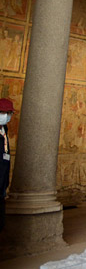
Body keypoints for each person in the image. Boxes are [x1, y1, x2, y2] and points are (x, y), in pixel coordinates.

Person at [0, 98, 13, 233]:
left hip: (1, 186)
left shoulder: (4, 131)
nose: (5, 116)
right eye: (2, 112)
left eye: (8, 113)